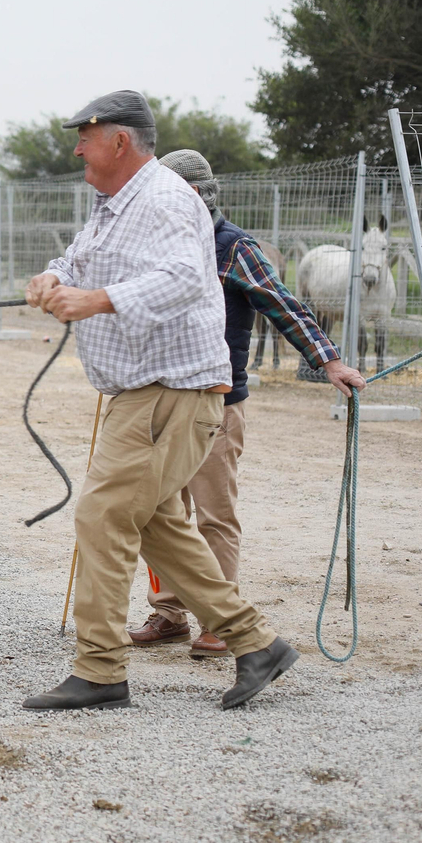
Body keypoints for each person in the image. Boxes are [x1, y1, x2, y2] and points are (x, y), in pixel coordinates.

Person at [20, 90, 297, 712]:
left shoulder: (168, 198)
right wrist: (56, 278)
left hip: (171, 393)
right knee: (159, 526)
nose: (76, 147)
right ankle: (256, 643)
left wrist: (97, 300)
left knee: (103, 516)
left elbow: (185, 278)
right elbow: (78, 258)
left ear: (120, 141)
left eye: (85, 136)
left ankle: (100, 670)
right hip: (142, 394)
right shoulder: (114, 205)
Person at [127, 151, 365, 656]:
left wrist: (329, 361)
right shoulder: (157, 247)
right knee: (160, 512)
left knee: (214, 514)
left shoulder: (232, 247)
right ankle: (168, 612)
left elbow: (282, 304)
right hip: (158, 400)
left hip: (217, 402)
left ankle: (220, 622)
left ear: (194, 195)